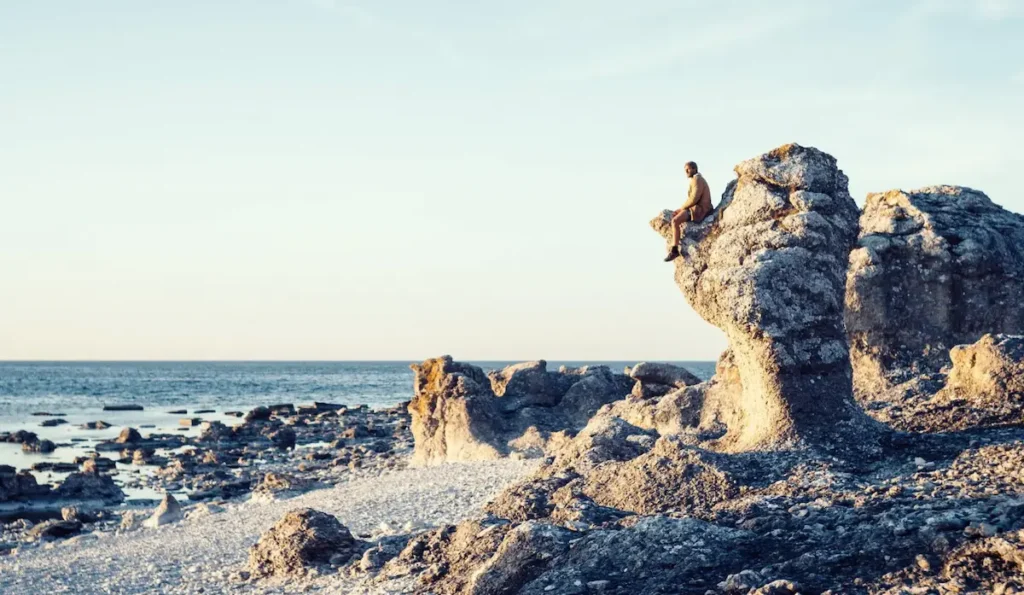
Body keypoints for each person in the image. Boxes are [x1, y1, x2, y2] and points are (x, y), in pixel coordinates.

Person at [664, 161, 712, 262]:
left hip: (700, 210)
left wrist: (682, 209)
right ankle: (674, 249)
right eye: (685, 170)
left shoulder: (697, 179)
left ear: (694, 169)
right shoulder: (697, 179)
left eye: (688, 169)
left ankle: (674, 250)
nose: (686, 171)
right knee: (675, 218)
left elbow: (694, 198)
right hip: (697, 208)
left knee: (675, 221)